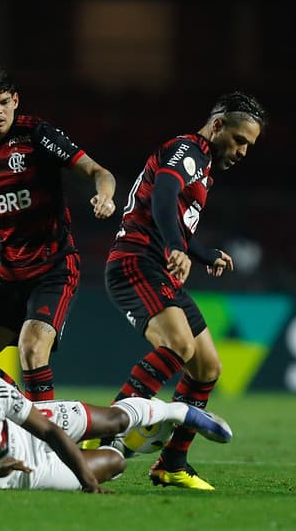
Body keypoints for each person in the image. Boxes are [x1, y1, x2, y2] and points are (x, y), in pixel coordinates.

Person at [99, 91, 267, 490]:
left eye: (250, 146)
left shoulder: (204, 166)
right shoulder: (189, 149)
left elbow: (174, 214)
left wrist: (201, 253)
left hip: (160, 268)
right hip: (136, 261)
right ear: (217, 125)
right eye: (240, 140)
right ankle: (104, 436)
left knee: (207, 367)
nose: (243, 151)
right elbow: (163, 195)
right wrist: (176, 246)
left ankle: (171, 463)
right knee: (179, 347)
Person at [0, 64, 117, 401]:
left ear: (15, 100)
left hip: (53, 268)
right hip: (10, 273)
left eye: (2, 102)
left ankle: (45, 445)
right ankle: (33, 416)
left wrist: (105, 195)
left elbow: (99, 171)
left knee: (30, 349)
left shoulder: (37, 135)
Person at [0, 375, 232, 491]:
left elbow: (50, 432)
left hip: (24, 428)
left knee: (112, 420)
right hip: (18, 474)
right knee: (116, 463)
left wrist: (87, 483)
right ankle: (131, 446)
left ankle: (177, 411)